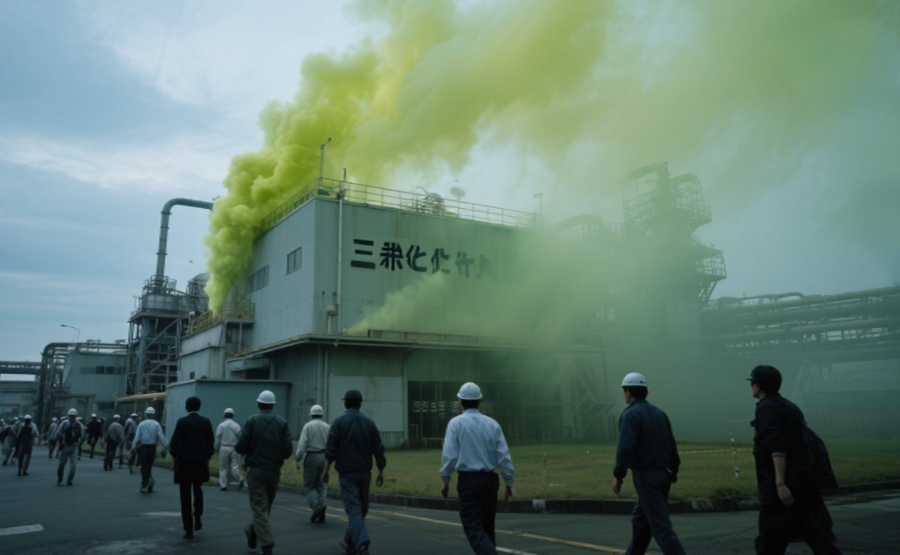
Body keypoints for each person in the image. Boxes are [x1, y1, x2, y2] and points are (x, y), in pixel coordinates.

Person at [748, 365, 844, 555]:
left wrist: (780, 483)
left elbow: (777, 445)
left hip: (784, 483)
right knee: (816, 535)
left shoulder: (766, 408)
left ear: (757, 386)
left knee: (771, 537)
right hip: (803, 480)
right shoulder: (789, 406)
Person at [612, 373, 685, 555]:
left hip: (646, 477)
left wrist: (618, 476)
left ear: (628, 392)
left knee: (661, 527)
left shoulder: (630, 415)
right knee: (641, 521)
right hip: (664, 475)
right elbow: (671, 445)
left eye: (624, 391)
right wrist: (673, 470)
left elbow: (626, 448)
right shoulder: (659, 413)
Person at [439, 382, 515, 555]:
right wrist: (509, 483)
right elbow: (504, 456)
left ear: (460, 402)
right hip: (490, 480)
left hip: (469, 481)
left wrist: (446, 480)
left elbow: (450, 456)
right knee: (487, 528)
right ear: (479, 401)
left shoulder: (455, 423)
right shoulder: (493, 424)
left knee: (472, 526)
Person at [323, 390, 386, 555]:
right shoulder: (369, 423)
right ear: (360, 404)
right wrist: (380, 471)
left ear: (345, 404)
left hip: (347, 474)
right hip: (364, 473)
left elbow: (331, 449)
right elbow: (378, 449)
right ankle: (350, 542)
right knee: (362, 509)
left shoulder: (338, 423)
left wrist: (326, 470)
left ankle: (361, 543)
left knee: (353, 509)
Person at [235, 390, 292, 555]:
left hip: (256, 470)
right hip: (274, 471)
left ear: (258, 404)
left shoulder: (251, 421)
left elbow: (240, 447)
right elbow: (288, 451)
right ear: (273, 405)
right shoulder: (282, 423)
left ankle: (266, 543)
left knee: (259, 508)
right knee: (265, 508)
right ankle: (254, 533)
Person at [169, 396, 215, 539]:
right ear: (199, 407)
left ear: (186, 407)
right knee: (198, 490)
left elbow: (174, 443)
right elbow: (210, 442)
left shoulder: (182, 422)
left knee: (185, 495)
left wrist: (175, 456)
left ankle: (188, 528)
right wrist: (207, 456)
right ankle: (198, 515)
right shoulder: (206, 422)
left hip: (184, 463)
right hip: (200, 462)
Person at [295, 404, 330, 523]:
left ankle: (317, 507)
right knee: (321, 484)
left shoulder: (308, 426)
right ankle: (322, 504)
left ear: (311, 414)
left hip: (312, 456)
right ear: (322, 414)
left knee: (309, 485)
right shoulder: (327, 426)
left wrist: (298, 458)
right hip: (324, 456)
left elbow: (303, 443)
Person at [131, 406, 168, 493]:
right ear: (153, 415)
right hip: (152, 448)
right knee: (149, 466)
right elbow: (161, 437)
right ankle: (149, 481)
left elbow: (137, 438)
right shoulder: (157, 424)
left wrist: (133, 448)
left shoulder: (141, 424)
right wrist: (165, 447)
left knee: (144, 466)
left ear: (146, 415)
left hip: (143, 448)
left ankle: (145, 483)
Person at [215, 407, 244, 491]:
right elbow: (240, 436)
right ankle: (240, 478)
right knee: (235, 466)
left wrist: (217, 447)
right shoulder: (236, 425)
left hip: (224, 447)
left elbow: (218, 438)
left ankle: (223, 484)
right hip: (234, 447)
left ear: (224, 415)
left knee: (222, 467)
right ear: (232, 415)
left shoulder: (221, 425)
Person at [53, 408, 84, 485]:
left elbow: (82, 436)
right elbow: (58, 433)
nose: (72, 418)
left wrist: (78, 443)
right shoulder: (64, 423)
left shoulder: (79, 425)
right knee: (61, 464)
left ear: (75, 416)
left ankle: (70, 480)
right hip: (65, 446)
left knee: (73, 466)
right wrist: (60, 440)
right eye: (70, 416)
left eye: (73, 416)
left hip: (74, 447)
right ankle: (60, 478)